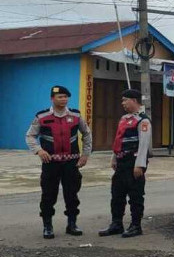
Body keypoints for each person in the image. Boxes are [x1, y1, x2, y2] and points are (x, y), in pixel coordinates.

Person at [26, 85, 92, 239]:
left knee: (72, 194)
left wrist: (85, 155)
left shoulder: (76, 116)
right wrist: (39, 151)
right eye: (60, 97)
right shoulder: (41, 117)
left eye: (65, 97)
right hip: (51, 163)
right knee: (48, 195)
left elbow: (87, 134)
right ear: (52, 98)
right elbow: (30, 136)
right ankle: (47, 226)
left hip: (71, 163)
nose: (63, 99)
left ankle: (72, 224)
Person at [99, 89, 151, 238]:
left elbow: (143, 144)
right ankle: (116, 223)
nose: (122, 103)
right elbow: (118, 140)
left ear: (133, 100)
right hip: (121, 162)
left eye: (124, 100)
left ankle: (136, 225)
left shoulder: (143, 120)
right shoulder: (124, 119)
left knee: (135, 196)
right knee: (117, 195)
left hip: (133, 162)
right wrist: (114, 157)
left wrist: (139, 165)